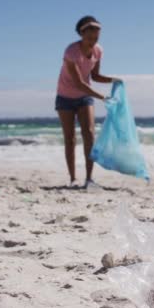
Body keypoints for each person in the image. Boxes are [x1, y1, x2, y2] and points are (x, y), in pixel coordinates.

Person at [55, 16, 121, 188]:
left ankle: (89, 179)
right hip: (65, 97)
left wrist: (115, 80)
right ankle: (72, 179)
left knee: (90, 134)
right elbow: (78, 83)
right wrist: (103, 97)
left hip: (84, 96)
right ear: (81, 34)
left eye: (96, 38)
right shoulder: (71, 51)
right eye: (90, 38)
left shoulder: (98, 51)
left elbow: (95, 76)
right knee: (69, 138)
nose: (93, 41)